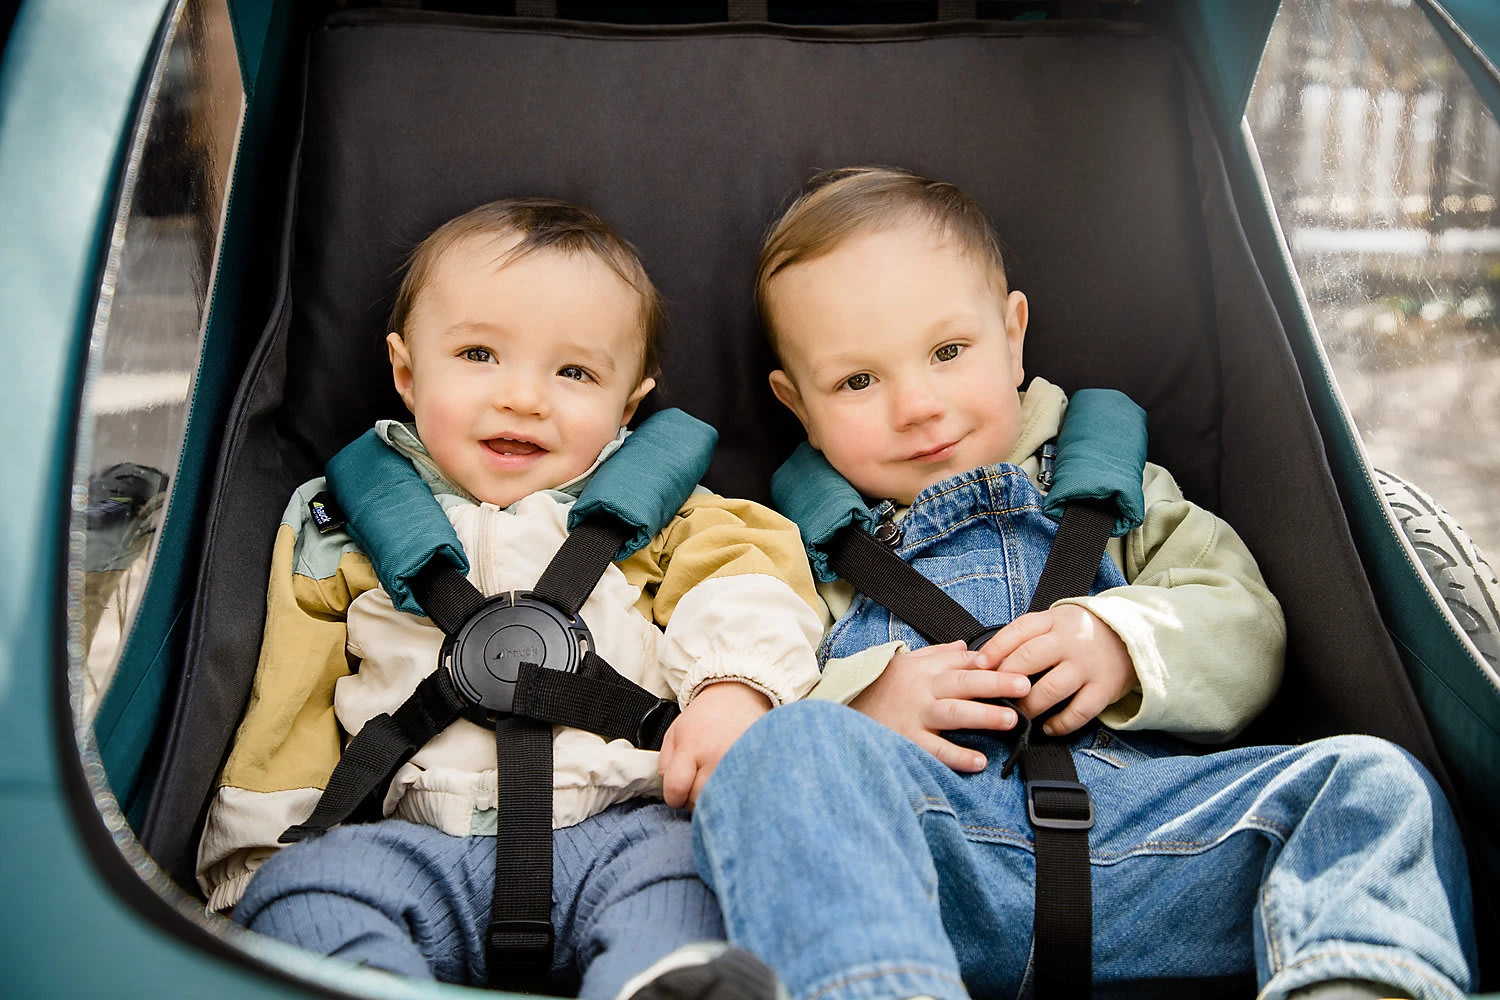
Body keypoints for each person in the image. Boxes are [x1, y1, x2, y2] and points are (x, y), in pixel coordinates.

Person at [690, 168, 1476, 1000]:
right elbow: (753, 669)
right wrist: (860, 702)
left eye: (949, 352)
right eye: (857, 381)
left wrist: (1123, 642)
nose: (916, 405)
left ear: (1013, 333)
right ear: (796, 403)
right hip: (937, 862)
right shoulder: (790, 544)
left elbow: (1247, 626)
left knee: (1375, 787)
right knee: (783, 753)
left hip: (1160, 846)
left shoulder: (1116, 487)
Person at [196, 198, 823, 997]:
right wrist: (260, 855)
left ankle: (660, 979)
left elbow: (751, 576)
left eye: (575, 373)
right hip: (409, 837)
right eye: (479, 354)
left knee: (699, 882)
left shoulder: (660, 512)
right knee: (309, 897)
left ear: (629, 405)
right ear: (406, 371)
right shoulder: (345, 527)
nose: (524, 397)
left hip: (623, 825)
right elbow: (289, 698)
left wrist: (734, 688)